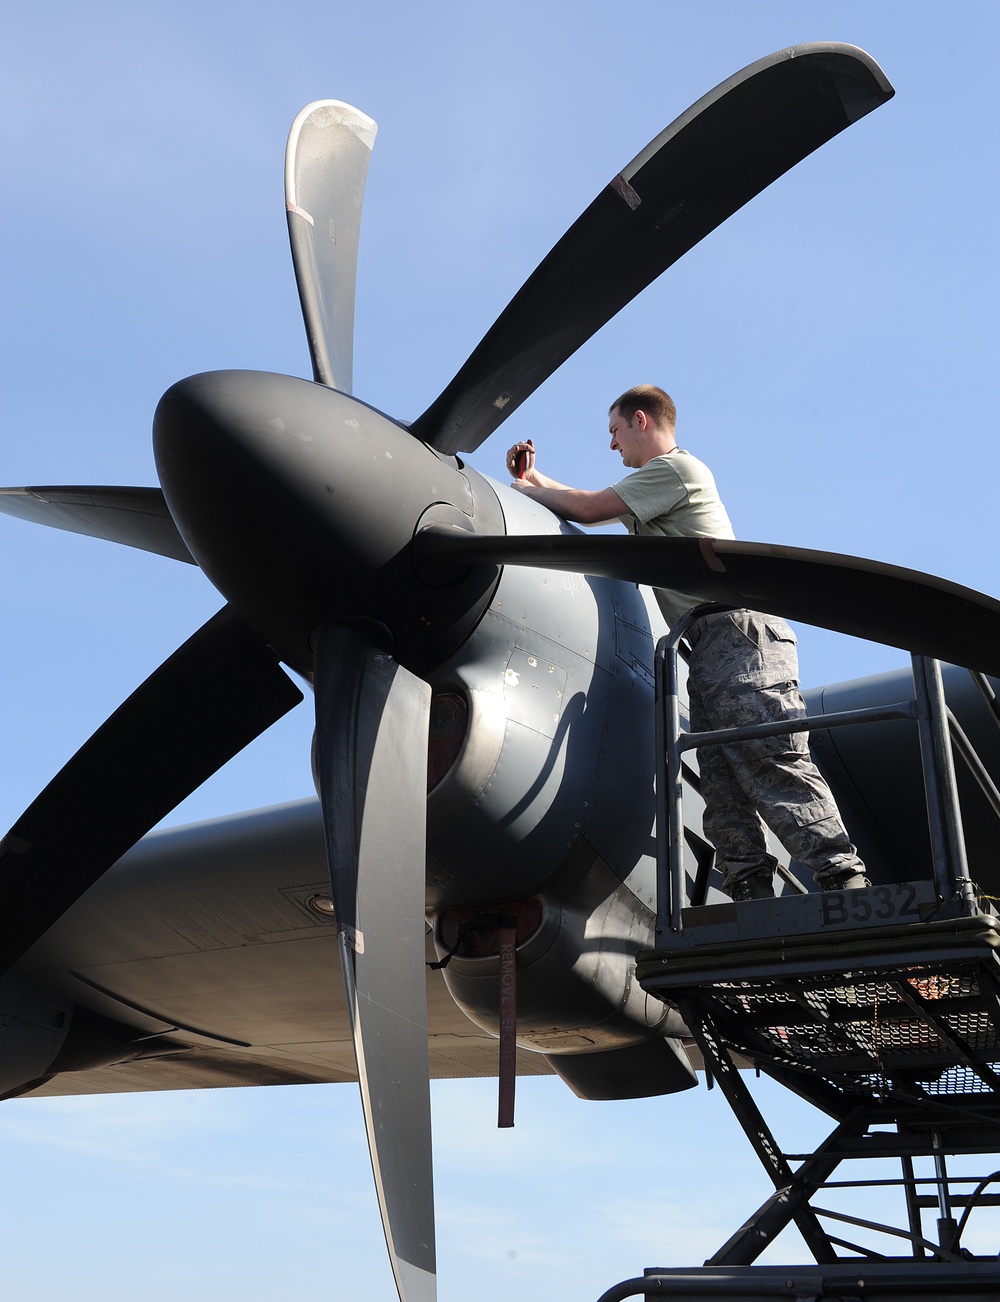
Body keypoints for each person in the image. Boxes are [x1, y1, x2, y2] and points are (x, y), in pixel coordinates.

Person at [506, 384, 867, 902]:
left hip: (738, 635)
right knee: (720, 780)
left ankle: (841, 878)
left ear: (640, 420)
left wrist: (524, 491)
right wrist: (535, 479)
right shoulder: (652, 494)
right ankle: (750, 893)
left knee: (768, 755)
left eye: (613, 432)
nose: (612, 446)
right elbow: (592, 505)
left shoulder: (675, 470)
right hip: (708, 644)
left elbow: (588, 509)